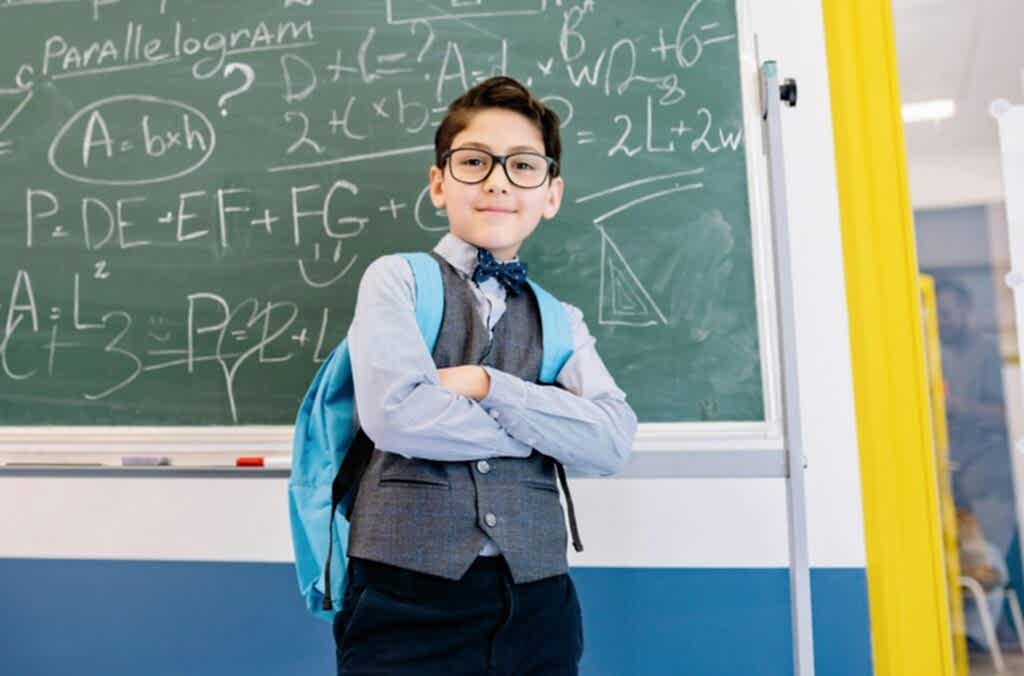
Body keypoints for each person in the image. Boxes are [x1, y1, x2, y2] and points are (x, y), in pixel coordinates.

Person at [335, 76, 638, 675]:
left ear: (551, 194)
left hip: (538, 598)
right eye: (474, 161)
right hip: (406, 595)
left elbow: (611, 440)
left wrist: (485, 384)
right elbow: (397, 416)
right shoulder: (397, 280)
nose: (498, 180)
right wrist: (543, 429)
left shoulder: (560, 319)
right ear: (439, 183)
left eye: (523, 165)